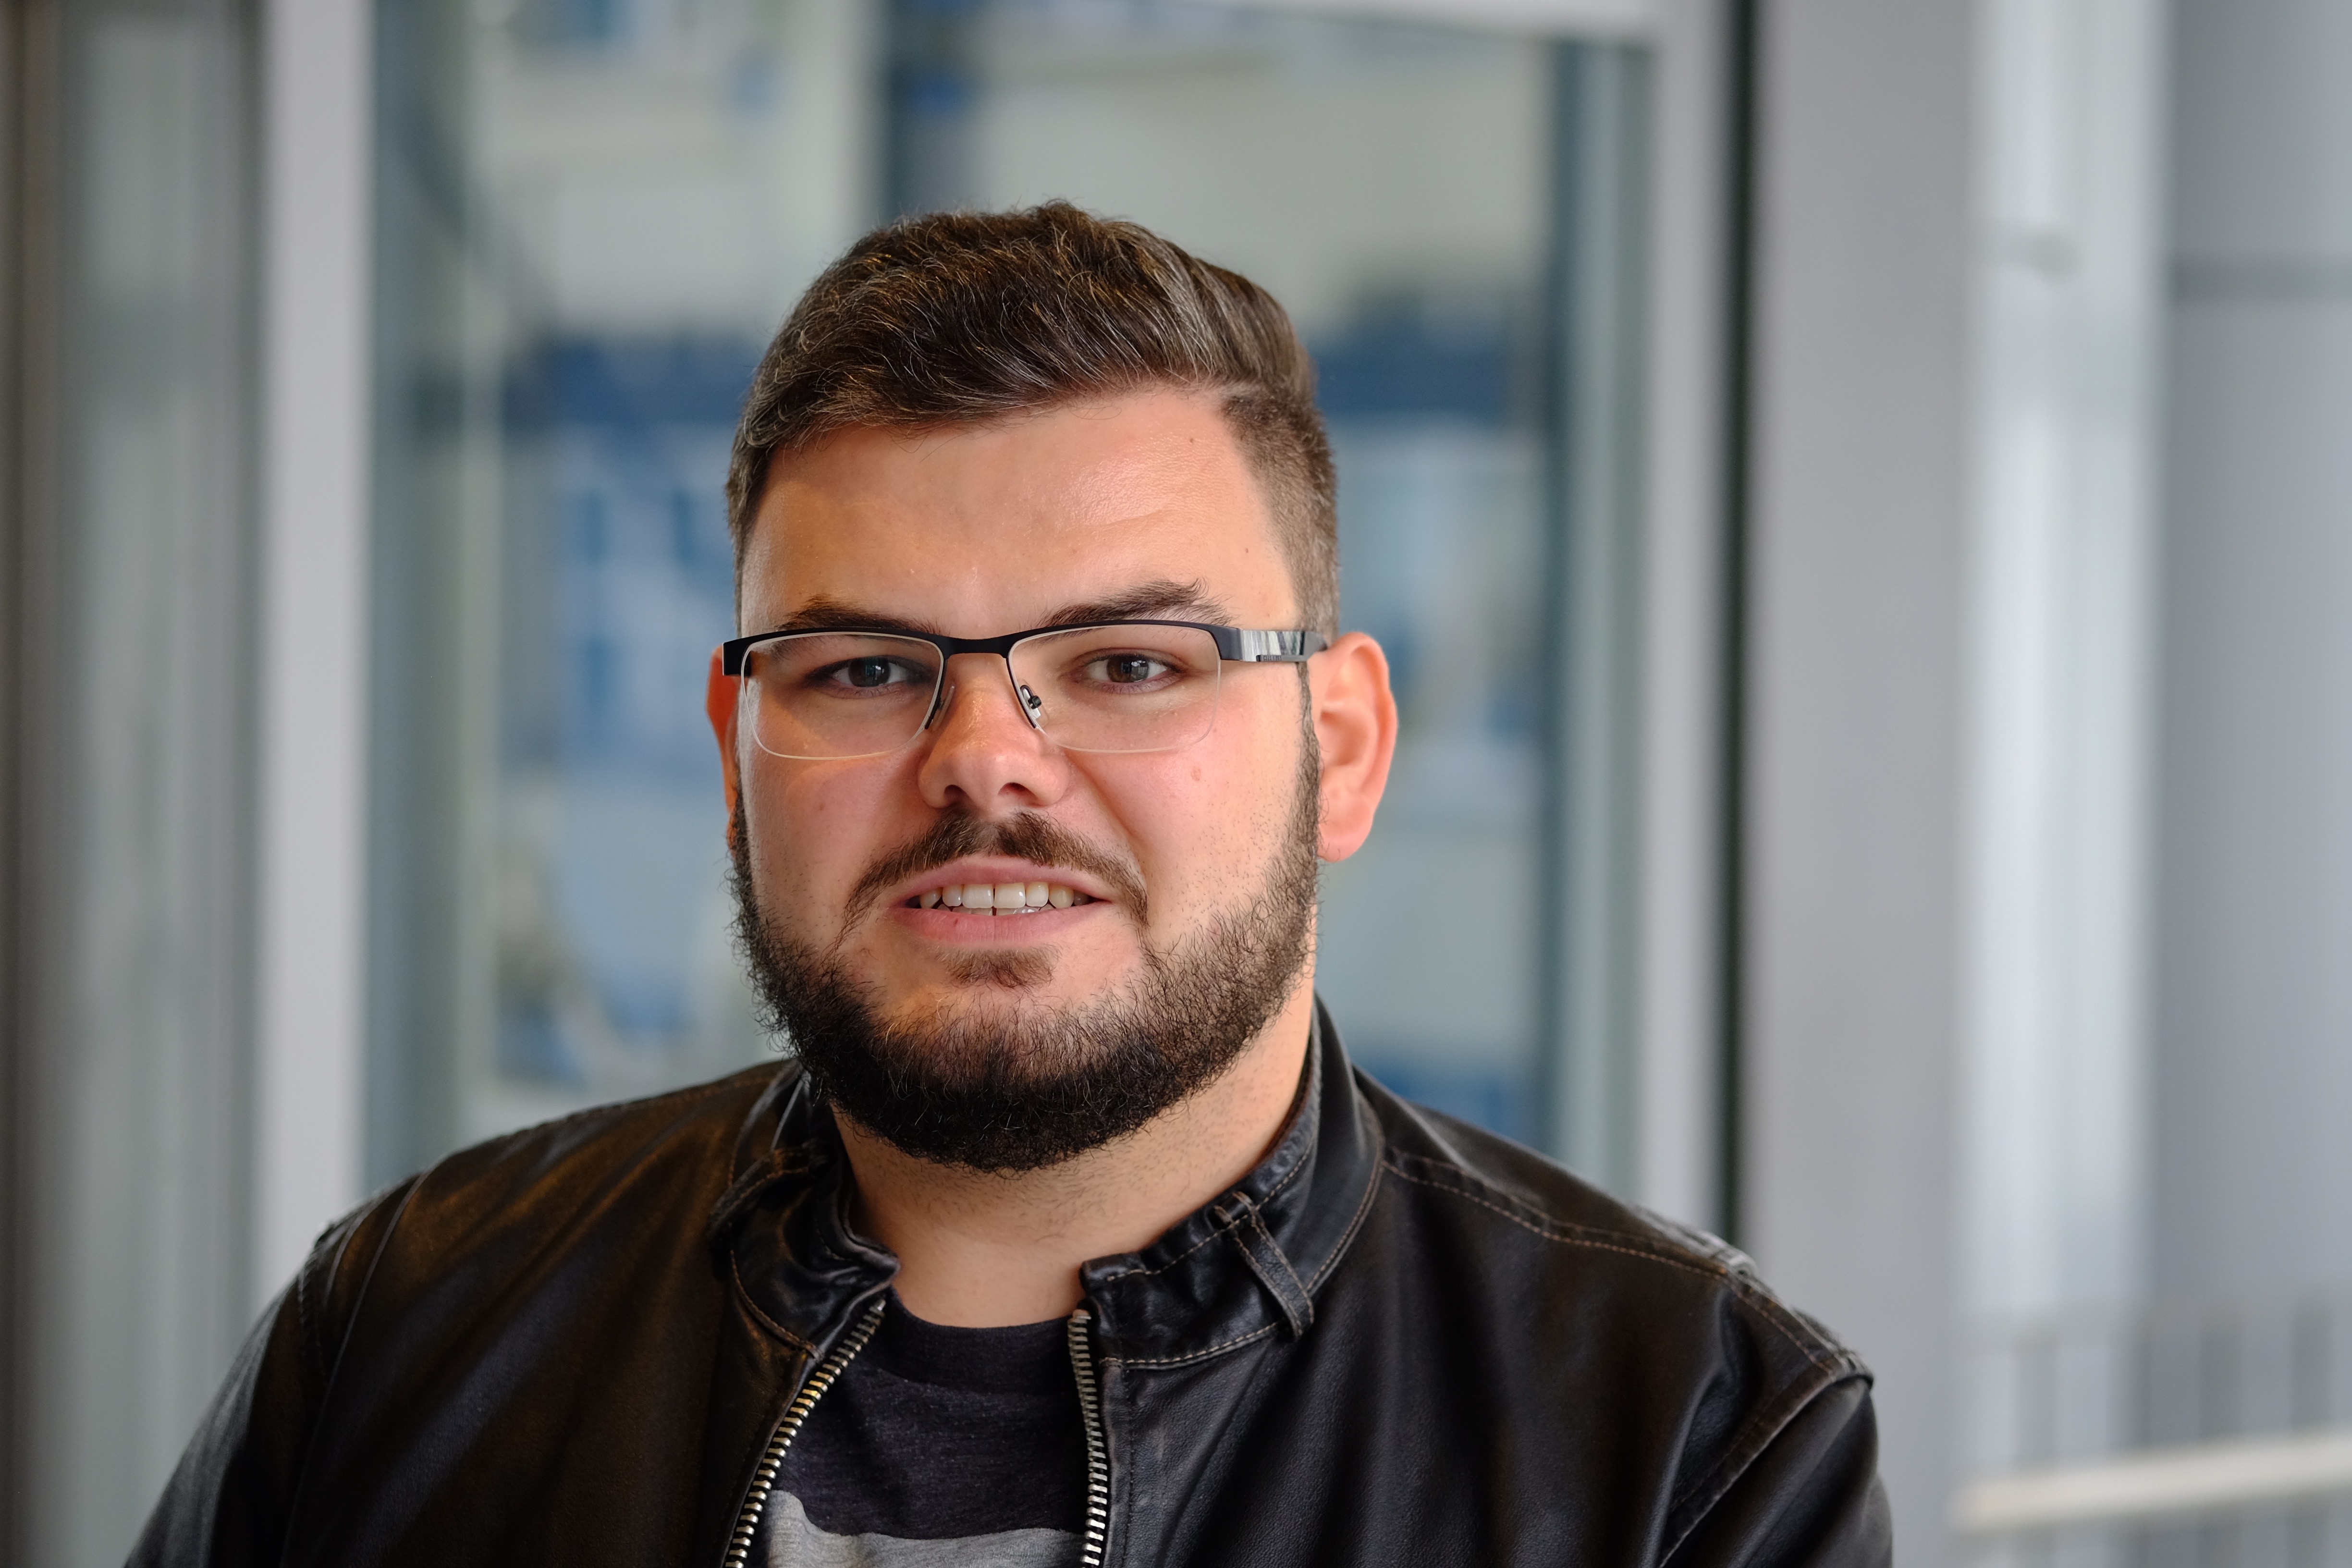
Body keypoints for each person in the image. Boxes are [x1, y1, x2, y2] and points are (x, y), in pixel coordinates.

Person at [134, 203, 1890, 1567]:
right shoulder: (408, 1328)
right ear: (736, 762)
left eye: (1128, 664)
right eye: (863, 669)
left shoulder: (1697, 1447)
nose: (985, 758)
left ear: (1343, 748)